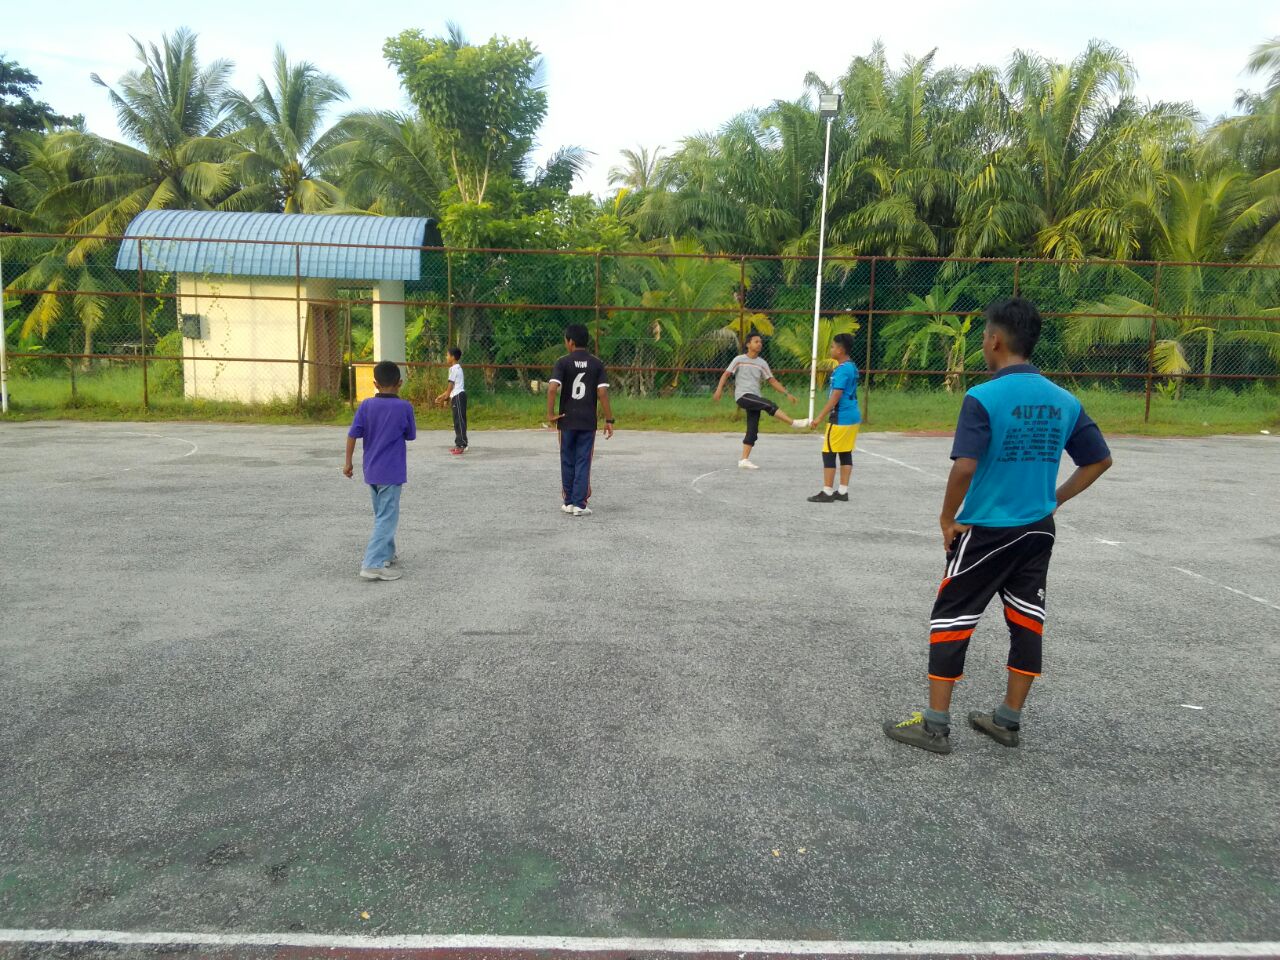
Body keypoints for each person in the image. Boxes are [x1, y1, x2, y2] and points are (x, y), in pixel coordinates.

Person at [884, 298, 1113, 754]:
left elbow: (965, 466)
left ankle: (934, 725)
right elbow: (1099, 460)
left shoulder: (983, 397)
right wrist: (1053, 499)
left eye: (984, 337)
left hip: (987, 529)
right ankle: (1008, 720)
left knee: (952, 617)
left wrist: (947, 518)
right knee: (1027, 619)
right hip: (1038, 530)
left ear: (994, 340)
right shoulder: (1064, 400)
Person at [343, 360, 417, 581]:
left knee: (382, 515)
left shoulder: (366, 405)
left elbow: (352, 435)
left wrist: (348, 463)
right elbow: (410, 435)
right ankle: (372, 564)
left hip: (372, 471)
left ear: (375, 383)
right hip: (392, 473)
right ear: (400, 383)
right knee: (387, 517)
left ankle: (386, 554)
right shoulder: (404, 407)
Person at [712, 333, 810, 470]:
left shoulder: (762, 363)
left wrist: (787, 393)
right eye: (756, 341)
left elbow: (772, 381)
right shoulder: (739, 359)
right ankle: (793, 423)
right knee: (768, 404)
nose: (759, 344)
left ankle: (744, 460)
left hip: (755, 397)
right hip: (743, 396)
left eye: (760, 342)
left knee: (753, 430)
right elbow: (726, 374)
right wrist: (719, 390)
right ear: (748, 344)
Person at [547, 324, 614, 516]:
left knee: (567, 459)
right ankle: (580, 504)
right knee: (583, 460)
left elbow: (552, 389)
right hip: (587, 421)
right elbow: (602, 392)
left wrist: (550, 414)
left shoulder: (562, 362)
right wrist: (609, 419)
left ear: (570, 342)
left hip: (566, 420)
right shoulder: (596, 363)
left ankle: (568, 502)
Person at [807, 332, 861, 503]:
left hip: (841, 417)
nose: (830, 349)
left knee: (829, 452)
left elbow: (836, 395)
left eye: (832, 347)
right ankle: (843, 491)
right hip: (853, 415)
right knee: (845, 452)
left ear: (840, 350)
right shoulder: (852, 366)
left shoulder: (842, 370)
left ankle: (828, 491)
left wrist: (819, 417)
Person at [435, 346, 468, 455]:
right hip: (457, 396)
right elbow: (451, 388)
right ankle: (459, 444)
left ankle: (461, 445)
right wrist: (442, 396)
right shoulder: (455, 368)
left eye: (447, 355)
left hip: (458, 396)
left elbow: (451, 384)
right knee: (457, 421)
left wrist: (446, 397)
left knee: (459, 421)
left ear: (453, 357)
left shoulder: (454, 369)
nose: (446, 357)